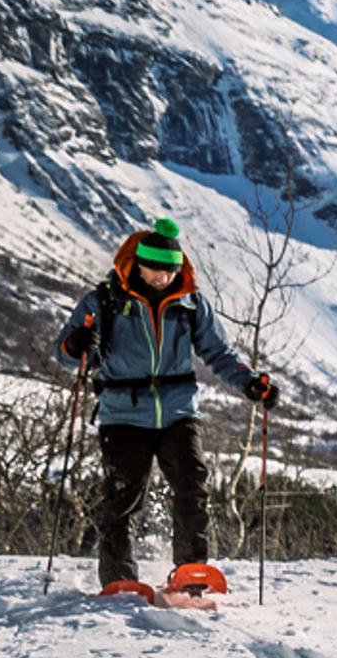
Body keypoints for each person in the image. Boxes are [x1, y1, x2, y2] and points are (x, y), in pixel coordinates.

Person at [52, 218, 274, 591]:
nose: (161, 278)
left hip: (178, 411)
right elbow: (65, 354)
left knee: (192, 483)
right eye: (155, 270)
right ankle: (119, 577)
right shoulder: (105, 300)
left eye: (169, 271)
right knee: (122, 496)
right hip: (122, 413)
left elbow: (218, 352)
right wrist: (76, 345)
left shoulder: (189, 303)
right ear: (138, 264)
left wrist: (250, 382)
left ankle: (191, 570)